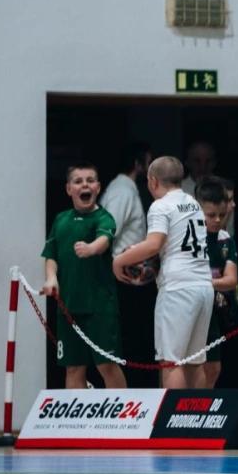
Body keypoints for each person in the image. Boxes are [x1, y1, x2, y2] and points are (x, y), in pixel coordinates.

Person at [112, 156, 215, 390]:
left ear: (153, 181)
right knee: (195, 361)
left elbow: (153, 245)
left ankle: (172, 415)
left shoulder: (161, 206)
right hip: (203, 286)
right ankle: (196, 413)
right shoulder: (193, 203)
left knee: (171, 361)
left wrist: (119, 261)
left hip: (177, 288)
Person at [40, 164, 128, 390]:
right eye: (78, 181)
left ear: (98, 187)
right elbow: (51, 256)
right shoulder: (61, 219)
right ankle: (77, 414)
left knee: (107, 365)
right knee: (73, 368)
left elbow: (104, 240)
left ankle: (122, 410)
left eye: (90, 180)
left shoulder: (104, 217)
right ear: (69, 189)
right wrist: (51, 278)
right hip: (69, 307)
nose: (85, 185)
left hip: (100, 307)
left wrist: (90, 249)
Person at [101, 141, 154, 381]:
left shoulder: (127, 188)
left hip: (133, 276)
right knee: (131, 337)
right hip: (124, 277)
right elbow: (108, 231)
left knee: (137, 337)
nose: (150, 168)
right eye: (148, 162)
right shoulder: (121, 191)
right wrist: (118, 262)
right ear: (137, 164)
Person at [195, 176, 238, 389]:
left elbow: (231, 280)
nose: (217, 220)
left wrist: (204, 283)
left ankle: (203, 404)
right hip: (189, 308)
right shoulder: (189, 238)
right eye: (210, 215)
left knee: (213, 367)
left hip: (214, 310)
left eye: (222, 215)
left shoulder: (226, 240)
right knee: (188, 366)